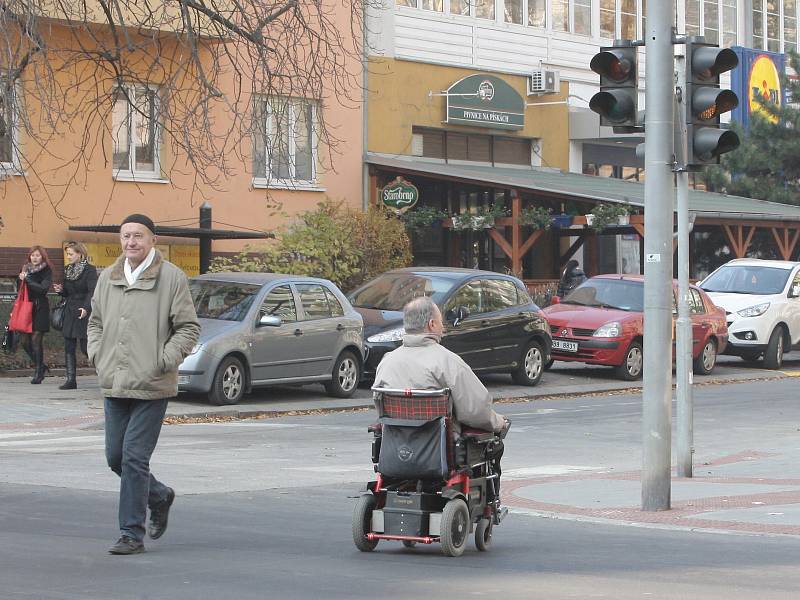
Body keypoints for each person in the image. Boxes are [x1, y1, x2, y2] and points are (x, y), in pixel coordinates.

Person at [88, 214, 200, 555]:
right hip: (115, 381)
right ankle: (160, 495)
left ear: (152, 240)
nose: (131, 242)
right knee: (115, 458)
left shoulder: (171, 278)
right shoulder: (108, 277)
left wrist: (164, 360)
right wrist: (97, 354)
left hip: (152, 383)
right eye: (125, 236)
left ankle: (131, 534)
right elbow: (95, 322)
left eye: (138, 236)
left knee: (134, 457)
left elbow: (188, 328)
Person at [373, 297, 507, 495]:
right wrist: (497, 423)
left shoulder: (387, 362)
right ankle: (487, 502)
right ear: (431, 324)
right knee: (493, 443)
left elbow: (379, 406)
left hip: (396, 447)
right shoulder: (448, 362)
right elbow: (475, 409)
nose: (443, 327)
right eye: (441, 321)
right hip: (441, 450)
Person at [53, 241, 98, 390]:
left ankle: (105, 373)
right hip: (70, 310)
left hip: (83, 311)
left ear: (80, 254)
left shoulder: (90, 270)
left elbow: (92, 292)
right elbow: (67, 293)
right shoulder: (68, 270)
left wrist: (86, 308)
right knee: (69, 345)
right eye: (67, 254)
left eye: (71, 254)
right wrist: (60, 290)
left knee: (86, 346)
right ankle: (71, 380)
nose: (68, 256)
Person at [17, 246, 53, 384]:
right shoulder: (25, 269)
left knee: (36, 340)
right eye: (33, 255)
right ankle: (41, 366)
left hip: (40, 308)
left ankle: (38, 372)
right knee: (24, 341)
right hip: (26, 308)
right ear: (29, 257)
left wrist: (28, 280)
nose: (35, 258)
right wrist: (21, 279)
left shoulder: (46, 270)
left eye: (38, 255)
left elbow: (43, 289)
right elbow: (20, 291)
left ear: (42, 257)